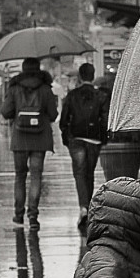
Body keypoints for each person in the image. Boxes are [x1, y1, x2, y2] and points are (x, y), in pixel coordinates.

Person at [0, 57, 58, 231]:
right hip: (40, 139)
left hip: (20, 138)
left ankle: (18, 215)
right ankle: (33, 216)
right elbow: (54, 115)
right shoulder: (46, 89)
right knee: (36, 176)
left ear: (23, 69)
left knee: (20, 176)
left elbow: (5, 112)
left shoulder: (15, 88)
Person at [60, 63, 110, 231]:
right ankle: (87, 207)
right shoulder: (100, 96)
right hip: (94, 140)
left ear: (80, 77)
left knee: (80, 173)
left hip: (77, 139)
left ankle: (84, 207)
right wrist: (103, 138)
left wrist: (67, 136)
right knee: (89, 172)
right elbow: (105, 120)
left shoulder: (72, 95)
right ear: (93, 75)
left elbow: (63, 120)